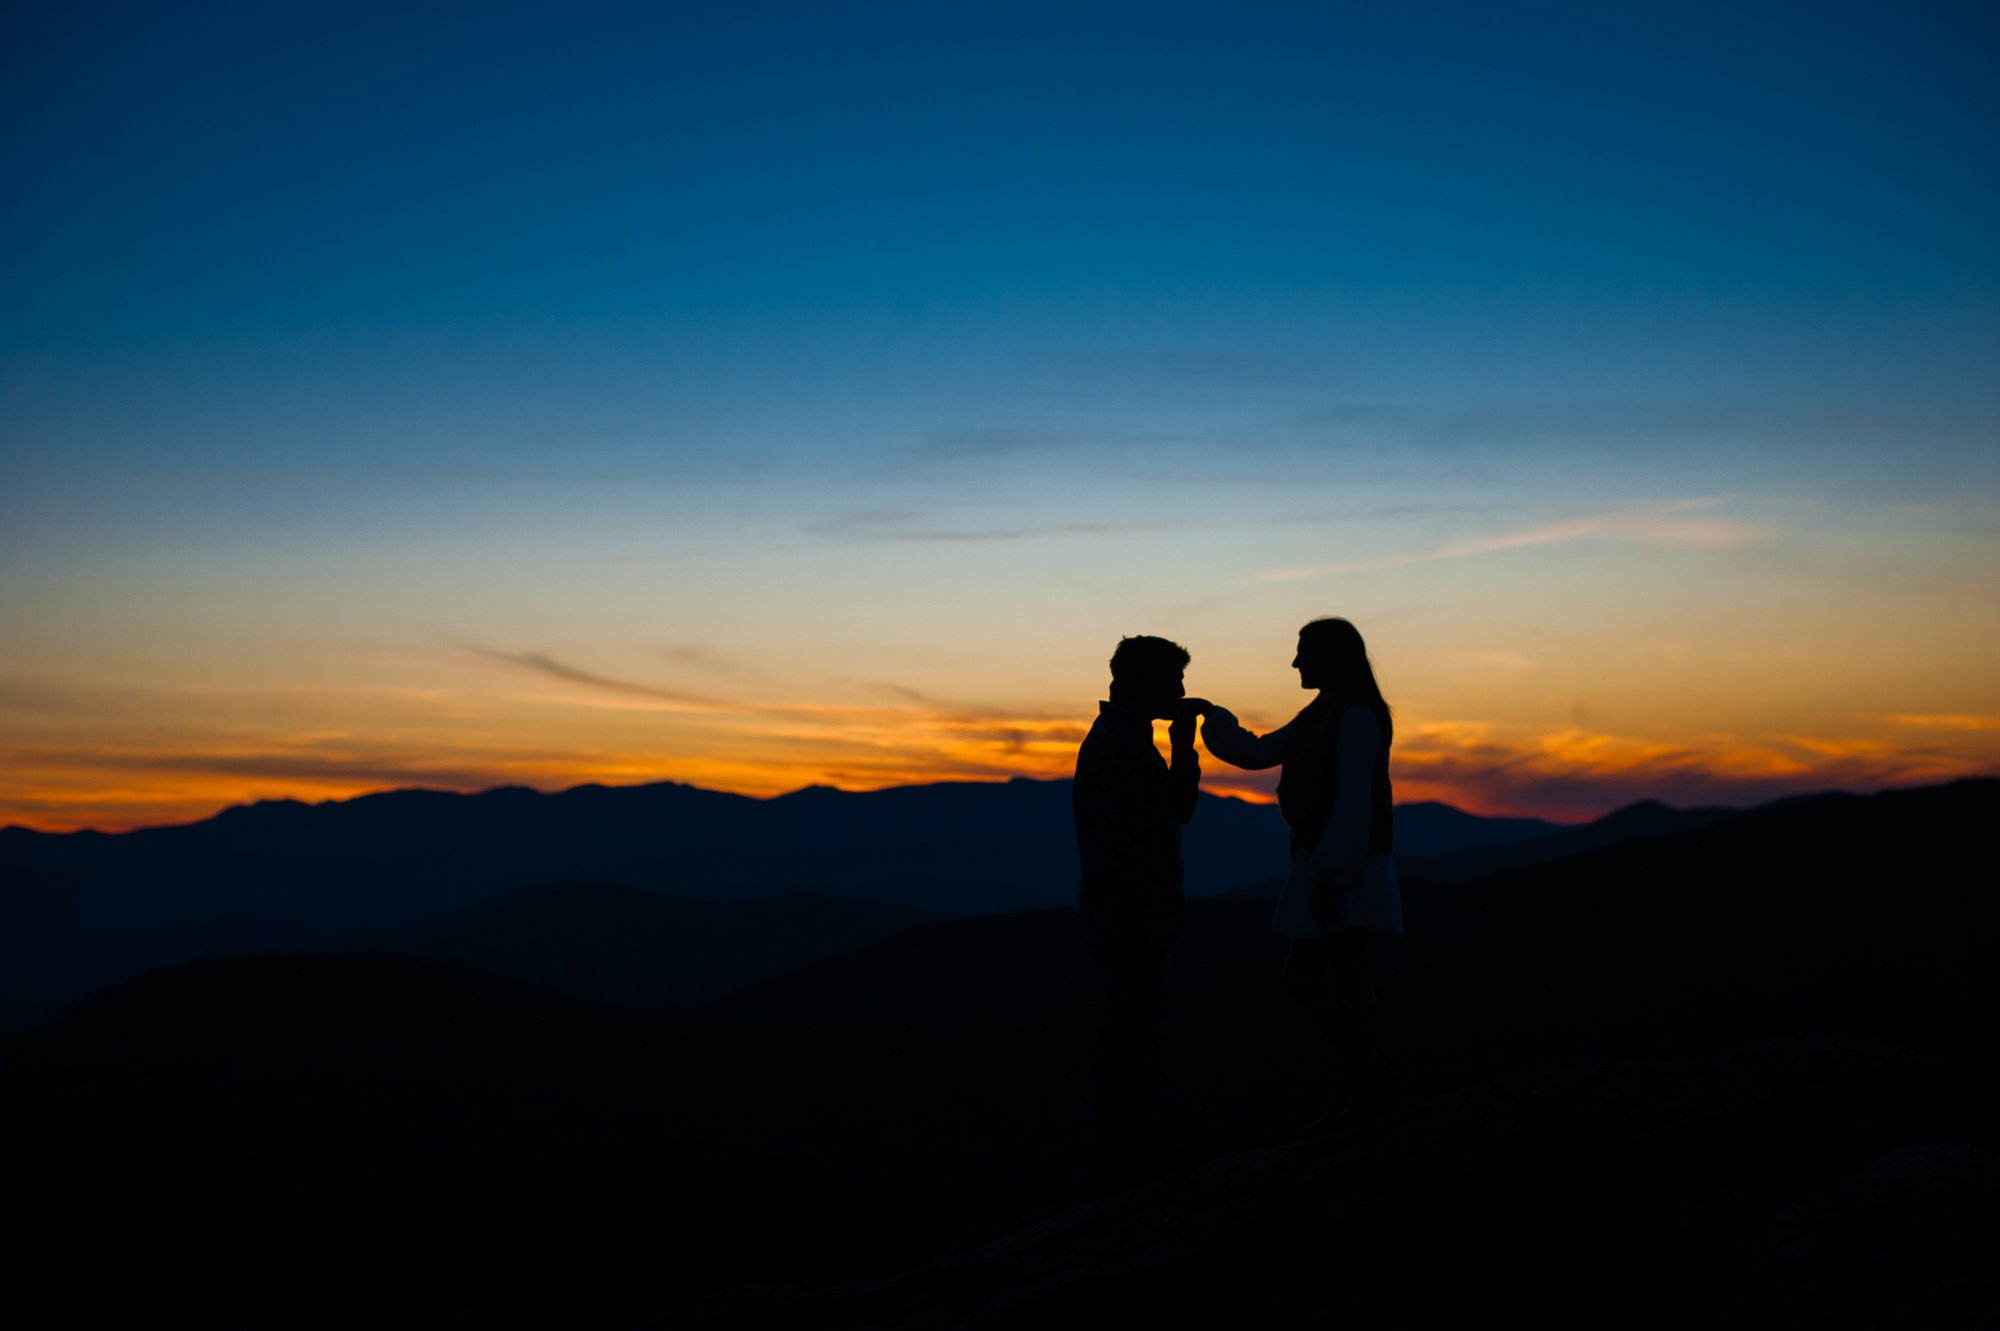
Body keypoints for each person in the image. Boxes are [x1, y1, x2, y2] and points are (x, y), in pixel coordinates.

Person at [1200, 617, 1403, 1133]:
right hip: (1342, 860)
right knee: (1352, 972)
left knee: (1303, 974)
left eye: (1303, 652)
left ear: (1330, 656)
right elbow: (1259, 752)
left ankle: (1368, 1074)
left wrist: (1330, 878)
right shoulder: (1326, 711)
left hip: (1343, 863)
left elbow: (1354, 803)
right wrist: (1211, 718)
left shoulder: (1353, 716)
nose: (1295, 663)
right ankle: (1359, 1089)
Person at [1072, 634, 1202, 1199]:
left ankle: (1131, 1152)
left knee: (1139, 1035)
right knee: (1129, 1036)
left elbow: (1178, 814)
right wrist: (1153, 915)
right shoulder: (1115, 746)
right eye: (1173, 681)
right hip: (1126, 921)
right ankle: (1109, 1159)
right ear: (1147, 683)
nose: (1179, 691)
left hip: (1135, 917)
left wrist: (1183, 747)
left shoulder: (1134, 741)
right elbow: (1122, 841)